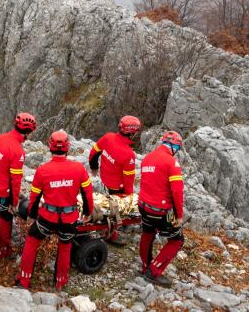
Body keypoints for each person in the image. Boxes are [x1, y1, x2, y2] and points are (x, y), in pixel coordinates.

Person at [16, 130, 93, 291]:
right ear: (68, 147)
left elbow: (34, 198)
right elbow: (87, 194)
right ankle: (60, 281)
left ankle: (24, 279)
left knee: (32, 239)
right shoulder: (78, 168)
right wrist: (87, 213)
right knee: (65, 246)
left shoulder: (43, 170)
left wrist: (31, 216)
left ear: (50, 146)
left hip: (47, 218)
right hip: (69, 218)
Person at [138, 130, 185, 287]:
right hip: (160, 210)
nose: (177, 151)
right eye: (177, 148)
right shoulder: (171, 162)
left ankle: (145, 266)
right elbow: (177, 191)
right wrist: (179, 215)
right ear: (174, 146)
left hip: (143, 206)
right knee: (177, 240)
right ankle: (154, 271)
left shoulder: (147, 158)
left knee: (148, 233)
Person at [0, 112, 37, 259]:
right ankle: (4, 250)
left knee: (7, 210)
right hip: (3, 190)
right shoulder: (17, 151)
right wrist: (14, 202)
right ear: (28, 131)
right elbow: (15, 180)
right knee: (6, 217)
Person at [88, 115, 141, 244]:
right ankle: (112, 234)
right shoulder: (128, 154)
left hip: (104, 179)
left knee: (109, 203)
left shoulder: (108, 137)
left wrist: (94, 167)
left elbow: (94, 153)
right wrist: (128, 198)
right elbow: (128, 180)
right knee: (115, 210)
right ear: (132, 133)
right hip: (117, 187)